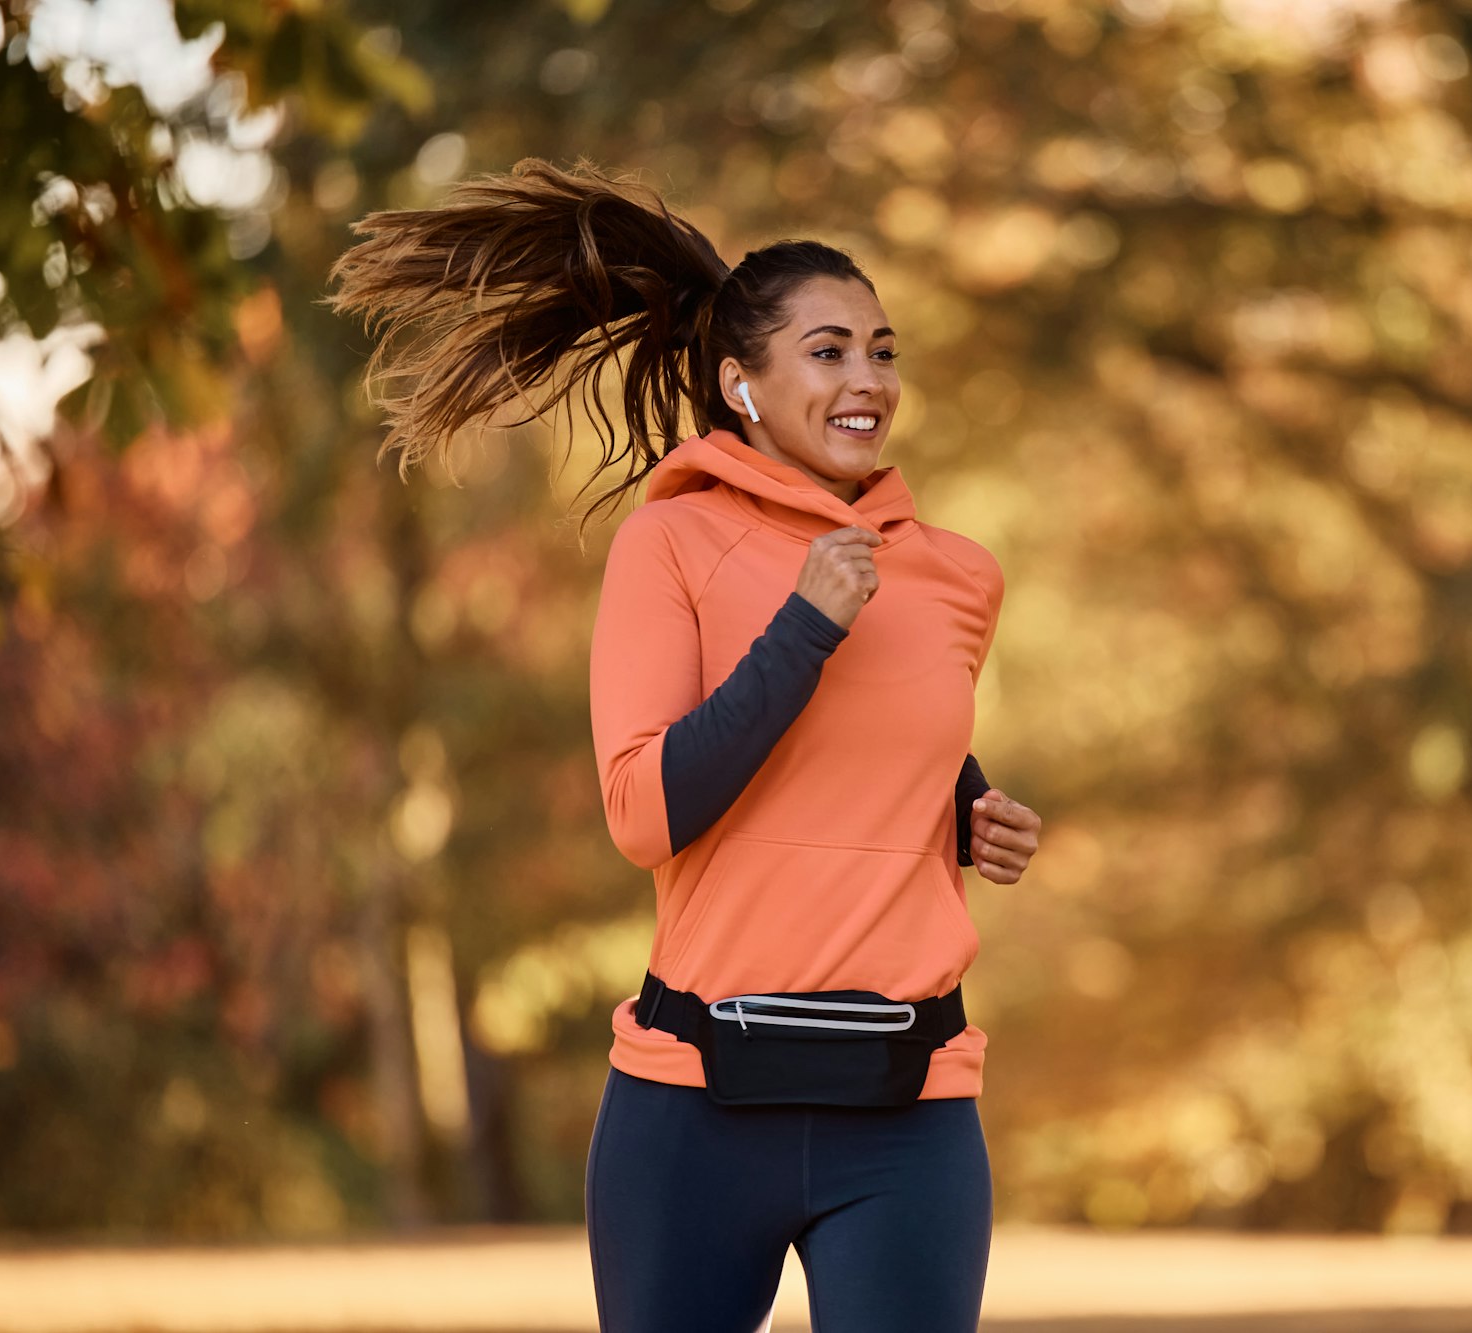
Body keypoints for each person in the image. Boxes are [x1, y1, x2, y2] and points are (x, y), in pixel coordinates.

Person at [324, 157, 1042, 1332]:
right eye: (827, 352)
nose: (867, 379)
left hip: (909, 1108)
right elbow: (646, 810)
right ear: (740, 386)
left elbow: (886, 740)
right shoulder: (669, 546)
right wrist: (803, 627)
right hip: (694, 1108)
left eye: (881, 348)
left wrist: (966, 806)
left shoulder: (959, 573)